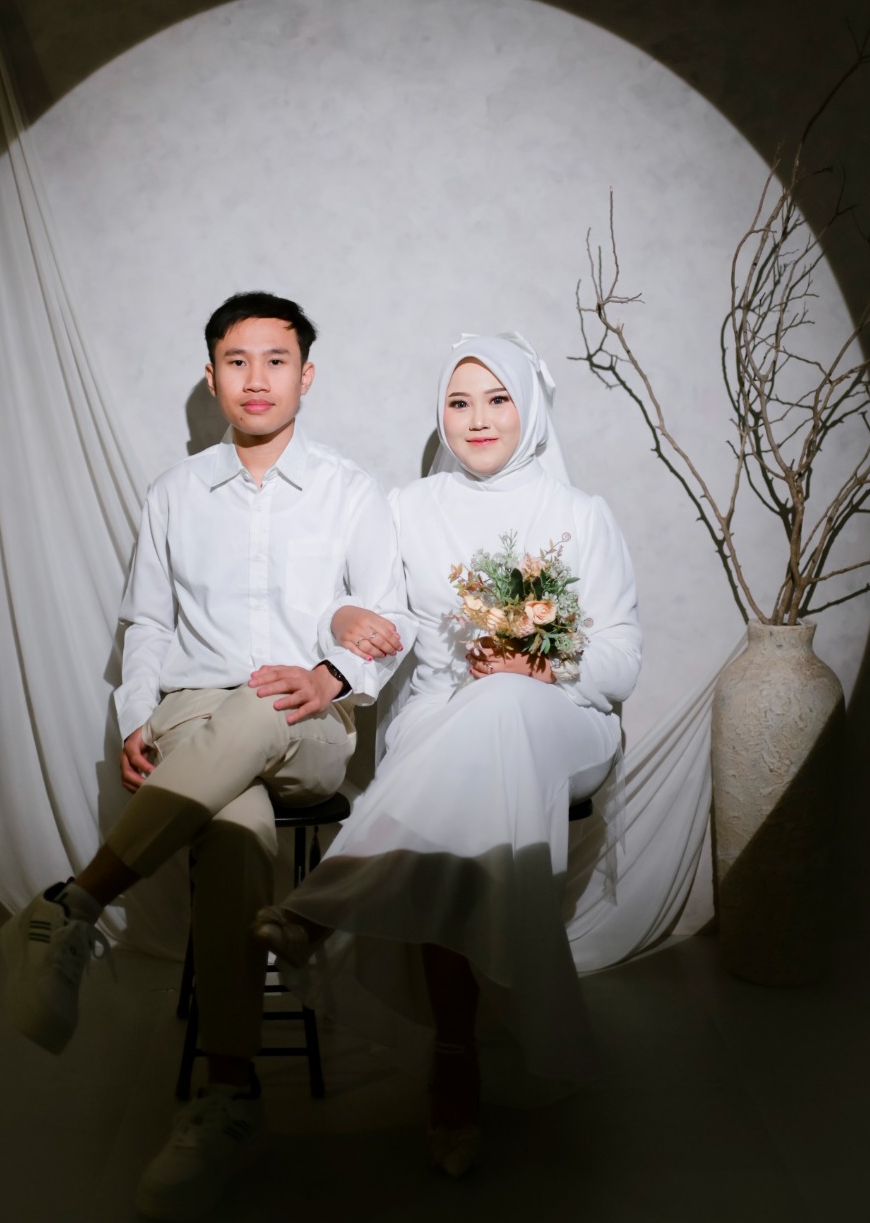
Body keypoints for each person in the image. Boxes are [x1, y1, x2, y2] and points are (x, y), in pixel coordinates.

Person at [0, 291, 410, 1222]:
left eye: (275, 359)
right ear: (212, 376)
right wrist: (134, 715)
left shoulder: (351, 491)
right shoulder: (174, 494)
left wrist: (331, 675)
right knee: (232, 823)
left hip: (308, 722)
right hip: (192, 715)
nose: (255, 378)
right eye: (235, 360)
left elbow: (392, 616)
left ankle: (73, 905)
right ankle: (228, 1096)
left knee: (259, 708)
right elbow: (147, 624)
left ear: (306, 375)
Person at [254, 333, 641, 1176]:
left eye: (497, 399)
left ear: (528, 409)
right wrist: (339, 622)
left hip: (565, 720)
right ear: (441, 414)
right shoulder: (407, 508)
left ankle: (321, 905)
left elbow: (621, 665)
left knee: (499, 703)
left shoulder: (580, 514)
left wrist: (543, 663)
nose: (477, 419)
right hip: (438, 717)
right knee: (466, 756)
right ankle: (455, 1052)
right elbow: (365, 614)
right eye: (458, 402)